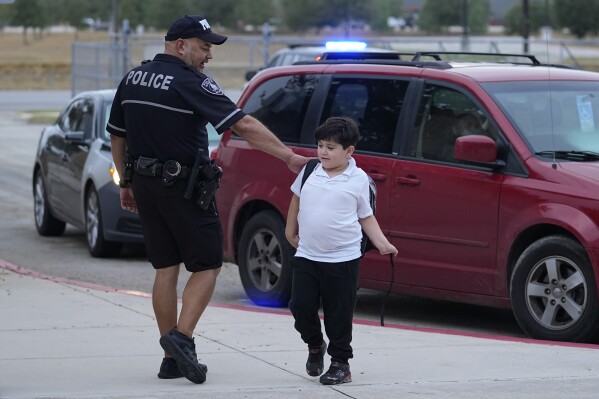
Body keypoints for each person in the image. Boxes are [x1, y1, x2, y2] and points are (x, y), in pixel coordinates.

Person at [106, 14, 307, 384]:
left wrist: (126, 182)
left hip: (146, 185)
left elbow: (117, 136)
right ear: (180, 45)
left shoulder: (133, 78)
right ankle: (181, 338)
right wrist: (288, 156)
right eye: (204, 47)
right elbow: (242, 124)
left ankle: (170, 359)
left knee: (165, 268)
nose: (208, 56)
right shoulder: (189, 81)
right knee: (207, 266)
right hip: (183, 187)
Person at [285, 116, 398, 385]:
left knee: (338, 313)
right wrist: (289, 232)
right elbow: (296, 199)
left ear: (349, 151)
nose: (323, 152)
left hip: (342, 259)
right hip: (307, 254)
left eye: (331, 147)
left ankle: (340, 364)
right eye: (320, 145)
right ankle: (315, 345)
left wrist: (382, 243)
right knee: (300, 306)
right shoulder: (311, 169)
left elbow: (366, 217)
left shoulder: (359, 180)